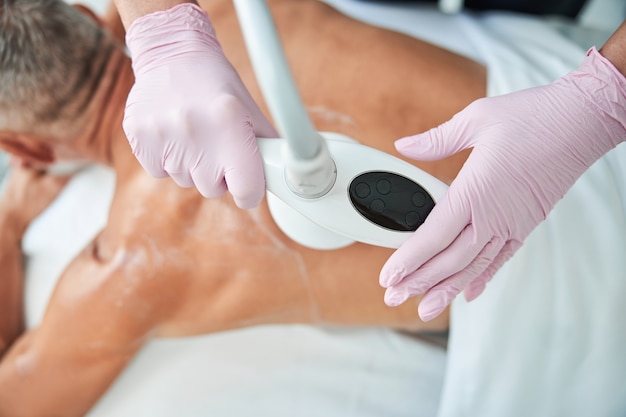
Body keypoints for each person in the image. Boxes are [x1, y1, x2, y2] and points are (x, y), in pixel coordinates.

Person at [0, 0, 485, 415]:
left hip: (517, 295)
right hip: (543, 123)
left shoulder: (131, 266)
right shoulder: (230, 10)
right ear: (95, 15)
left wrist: (7, 226)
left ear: (28, 152)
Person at [115, 0, 626, 322]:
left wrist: (598, 103)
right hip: (542, 64)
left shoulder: (126, 262)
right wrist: (158, 27)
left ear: (31, 152)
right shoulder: (245, 12)